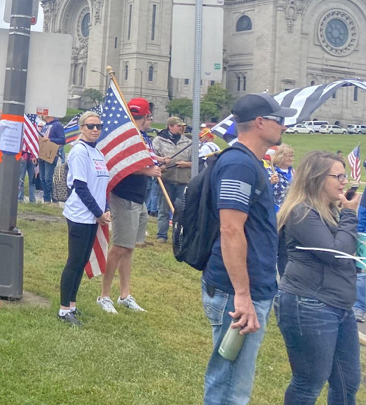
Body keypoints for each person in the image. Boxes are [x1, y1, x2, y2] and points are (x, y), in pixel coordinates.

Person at [201, 93, 294, 405]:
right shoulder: (239, 163)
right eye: (278, 119)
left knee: (235, 380)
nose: (283, 124)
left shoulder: (251, 162)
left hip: (250, 288)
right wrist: (243, 296)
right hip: (236, 292)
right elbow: (230, 229)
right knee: (229, 387)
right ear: (259, 123)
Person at [277, 151, 361, 404]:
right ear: (316, 178)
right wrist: (350, 215)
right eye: (338, 176)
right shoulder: (301, 212)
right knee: (309, 382)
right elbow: (334, 253)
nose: (344, 181)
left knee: (348, 381)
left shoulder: (329, 210)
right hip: (310, 304)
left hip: (339, 305)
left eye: (344, 175)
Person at [98, 98, 161, 313]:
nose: (149, 120)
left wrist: (158, 161)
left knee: (129, 248)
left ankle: (124, 294)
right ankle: (104, 295)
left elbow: (143, 158)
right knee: (120, 247)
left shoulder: (143, 137)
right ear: (145, 117)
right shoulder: (128, 136)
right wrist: (146, 171)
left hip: (138, 197)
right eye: (148, 116)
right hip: (124, 196)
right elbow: (120, 164)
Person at [58, 111, 111, 326]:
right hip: (81, 214)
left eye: (98, 125)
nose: (95, 129)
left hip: (94, 215)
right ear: (81, 128)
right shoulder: (79, 152)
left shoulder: (97, 152)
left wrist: (104, 209)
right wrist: (98, 213)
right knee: (74, 261)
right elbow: (80, 186)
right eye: (90, 126)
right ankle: (63, 310)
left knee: (82, 261)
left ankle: (72, 304)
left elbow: (102, 184)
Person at [153, 117, 192, 245]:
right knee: (163, 210)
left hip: (182, 181)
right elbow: (152, 158)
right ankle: (161, 235)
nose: (181, 128)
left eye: (182, 126)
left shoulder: (188, 142)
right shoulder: (159, 140)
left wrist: (186, 164)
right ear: (170, 126)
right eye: (178, 126)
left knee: (181, 210)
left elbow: (197, 161)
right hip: (165, 180)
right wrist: (161, 164)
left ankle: (178, 236)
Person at [39, 112, 66, 203]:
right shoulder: (45, 126)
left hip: (51, 154)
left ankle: (54, 199)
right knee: (42, 178)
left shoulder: (57, 125)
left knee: (48, 178)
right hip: (42, 154)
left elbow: (62, 140)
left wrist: (50, 140)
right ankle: (46, 199)